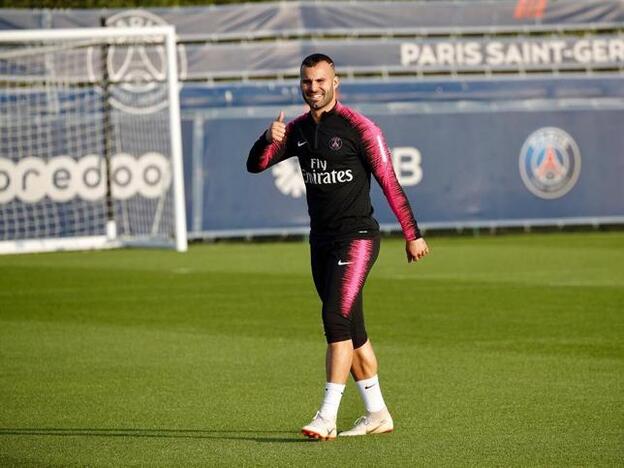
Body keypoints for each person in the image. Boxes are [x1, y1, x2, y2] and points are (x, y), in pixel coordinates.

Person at [247, 53, 429, 440]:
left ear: (336, 82)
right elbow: (257, 165)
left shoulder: (360, 129)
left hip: (358, 238)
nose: (313, 88)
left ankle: (327, 416)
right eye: (306, 81)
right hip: (322, 242)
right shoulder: (296, 130)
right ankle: (377, 413)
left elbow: (390, 182)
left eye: (320, 81)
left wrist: (413, 234)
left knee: (334, 321)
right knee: (353, 331)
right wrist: (266, 138)